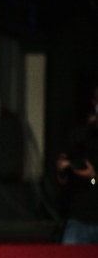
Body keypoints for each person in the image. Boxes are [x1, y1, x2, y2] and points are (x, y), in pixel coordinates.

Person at [56, 86, 98, 244]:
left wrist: (93, 178)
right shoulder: (80, 135)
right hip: (80, 218)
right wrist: (62, 171)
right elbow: (65, 178)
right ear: (94, 103)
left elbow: (92, 178)